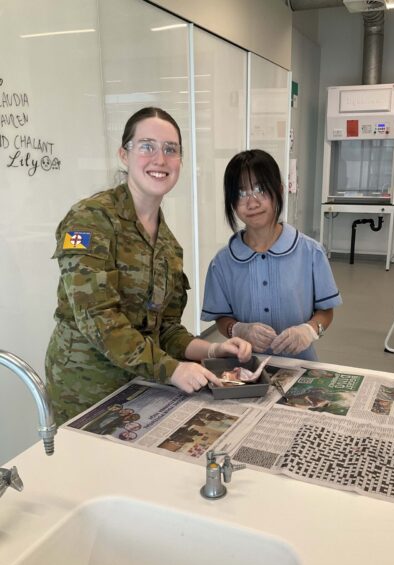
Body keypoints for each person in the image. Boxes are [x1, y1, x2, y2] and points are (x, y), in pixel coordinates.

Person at [45, 107, 251, 425]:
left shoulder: (168, 244)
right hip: (84, 392)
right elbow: (98, 320)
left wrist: (212, 352)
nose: (160, 159)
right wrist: (171, 369)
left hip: (140, 387)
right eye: (147, 146)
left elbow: (164, 328)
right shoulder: (90, 220)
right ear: (124, 155)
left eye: (170, 149)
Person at [201, 149, 342, 361]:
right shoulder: (222, 263)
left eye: (260, 189)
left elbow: (326, 312)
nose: (252, 202)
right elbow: (221, 318)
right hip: (245, 367)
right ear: (231, 201)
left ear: (279, 190)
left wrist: (310, 330)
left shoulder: (311, 252)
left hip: (301, 366)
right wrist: (237, 329)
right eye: (241, 193)